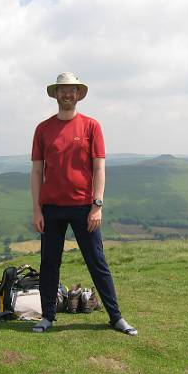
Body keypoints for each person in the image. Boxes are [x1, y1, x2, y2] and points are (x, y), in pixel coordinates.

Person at [30, 72, 137, 336]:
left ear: (78, 95)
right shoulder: (43, 129)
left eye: (72, 90)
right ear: (55, 94)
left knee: (97, 262)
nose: (67, 94)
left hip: (83, 207)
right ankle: (47, 317)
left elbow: (99, 168)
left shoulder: (91, 126)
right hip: (51, 208)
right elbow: (36, 171)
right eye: (63, 90)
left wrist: (97, 205)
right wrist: (36, 209)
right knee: (49, 264)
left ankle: (116, 317)